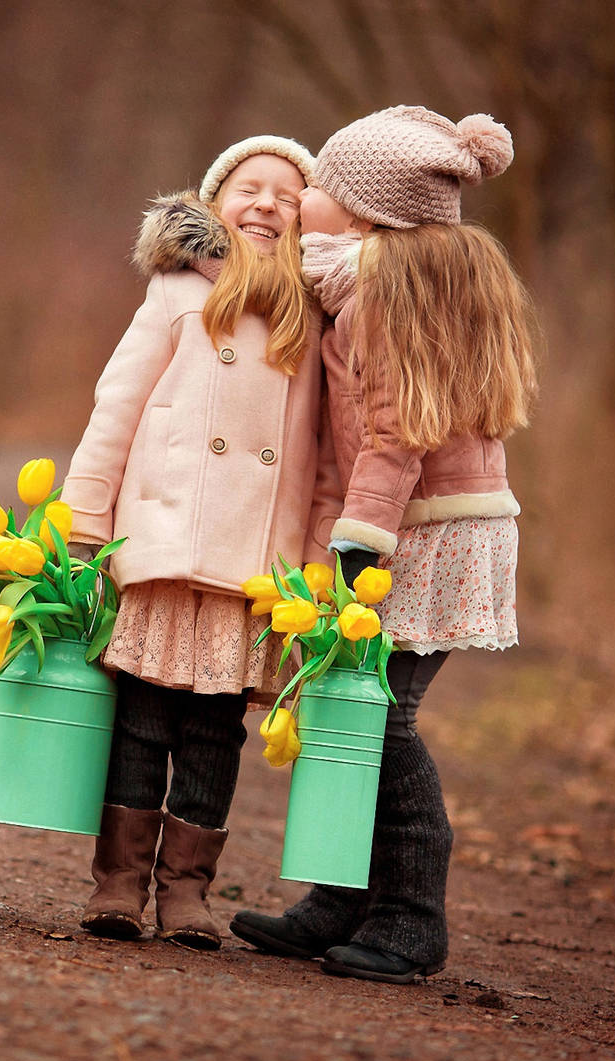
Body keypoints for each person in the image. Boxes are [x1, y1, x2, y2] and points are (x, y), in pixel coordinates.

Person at [228, 106, 539, 982]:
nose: (305, 196)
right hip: (417, 524)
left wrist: (356, 544)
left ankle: (411, 915)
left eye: (321, 186)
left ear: (365, 215)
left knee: (383, 717)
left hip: (420, 534)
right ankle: (343, 898)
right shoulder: (367, 282)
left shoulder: (381, 294)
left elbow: (395, 431)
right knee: (349, 710)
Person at [62, 135, 333, 949]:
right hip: (164, 544)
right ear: (216, 204)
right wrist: (86, 514)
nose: (266, 205)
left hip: (247, 567)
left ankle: (187, 891)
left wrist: (311, 563)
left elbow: (318, 459)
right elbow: (119, 403)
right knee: (142, 720)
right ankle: (118, 883)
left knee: (215, 733)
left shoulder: (309, 317)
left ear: (303, 223)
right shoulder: (176, 291)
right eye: (251, 188)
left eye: (287, 199)